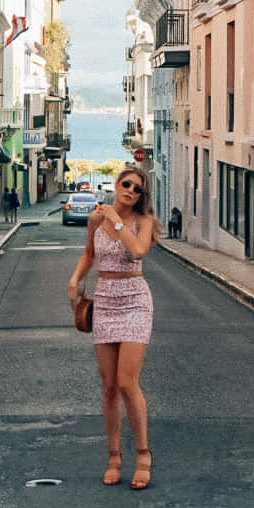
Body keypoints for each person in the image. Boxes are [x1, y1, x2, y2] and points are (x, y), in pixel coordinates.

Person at [67, 165, 159, 489]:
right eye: (126, 184)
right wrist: (75, 279)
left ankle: (143, 454)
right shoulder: (95, 221)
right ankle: (114, 456)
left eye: (137, 188)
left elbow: (137, 251)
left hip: (135, 300)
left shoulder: (143, 222)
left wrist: (118, 222)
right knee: (108, 386)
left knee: (127, 383)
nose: (131, 191)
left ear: (140, 196)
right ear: (117, 184)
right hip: (105, 301)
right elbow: (89, 254)